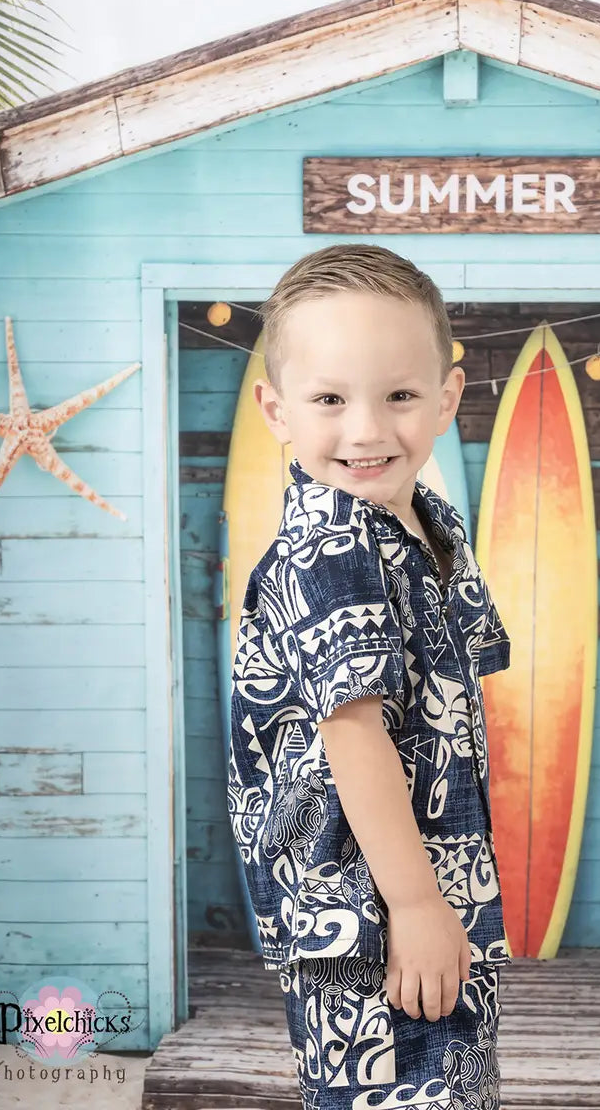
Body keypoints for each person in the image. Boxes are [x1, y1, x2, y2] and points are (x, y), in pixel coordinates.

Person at [227, 243, 513, 1110]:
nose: (366, 429)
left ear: (447, 397)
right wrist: (419, 905)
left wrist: (441, 898)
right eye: (328, 399)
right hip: (366, 910)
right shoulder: (330, 549)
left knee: (458, 1090)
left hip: (432, 878)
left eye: (398, 395)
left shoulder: (422, 521)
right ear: (276, 411)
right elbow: (353, 737)